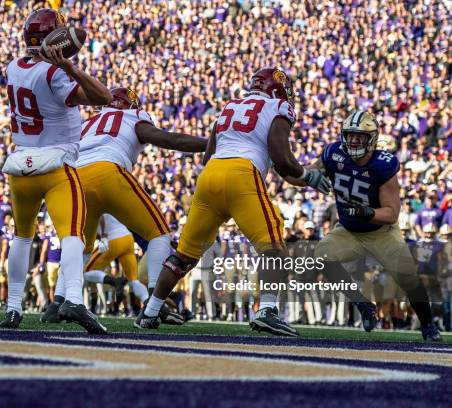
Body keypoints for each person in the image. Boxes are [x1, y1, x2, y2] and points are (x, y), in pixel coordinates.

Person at [135, 68, 331, 335]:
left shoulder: (231, 106)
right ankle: (268, 310)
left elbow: (208, 155)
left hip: (210, 176)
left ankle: (151, 311)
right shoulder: (279, 106)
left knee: (184, 255)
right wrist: (307, 175)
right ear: (278, 89)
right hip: (241, 176)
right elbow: (283, 158)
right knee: (272, 246)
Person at [45, 87, 207, 325]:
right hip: (107, 171)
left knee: (78, 246)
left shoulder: (88, 123)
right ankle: (155, 302)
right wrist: (210, 144)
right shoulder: (132, 117)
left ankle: (57, 303)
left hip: (73, 178)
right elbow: (169, 139)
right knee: (159, 233)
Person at [0, 8, 112, 334]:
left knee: (22, 237)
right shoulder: (53, 74)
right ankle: (74, 298)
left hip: (21, 168)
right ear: (54, 37)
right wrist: (68, 65)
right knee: (72, 235)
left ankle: (13, 307)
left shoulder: (13, 68)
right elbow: (103, 97)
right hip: (56, 165)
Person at [312, 110, 441, 341]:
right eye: (350, 135)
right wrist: (287, 166)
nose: (353, 140)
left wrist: (364, 211)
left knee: (408, 278)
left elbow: (391, 214)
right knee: (321, 254)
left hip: (381, 231)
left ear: (371, 138)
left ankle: (428, 325)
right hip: (349, 230)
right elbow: (302, 174)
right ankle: (363, 305)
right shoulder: (333, 153)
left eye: (359, 136)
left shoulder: (383, 164)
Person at [83, 214, 148, 308]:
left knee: (85, 271)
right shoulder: (111, 204)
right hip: (128, 239)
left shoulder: (93, 202)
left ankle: (115, 281)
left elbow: (99, 215)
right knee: (133, 280)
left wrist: (104, 236)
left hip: (113, 240)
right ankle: (151, 305)